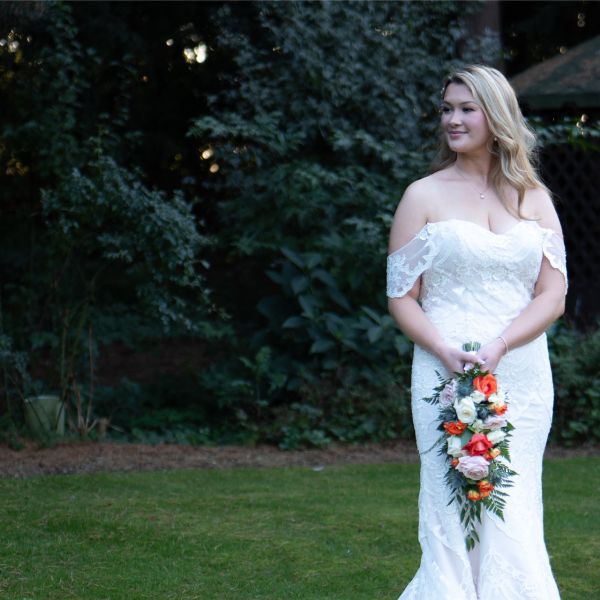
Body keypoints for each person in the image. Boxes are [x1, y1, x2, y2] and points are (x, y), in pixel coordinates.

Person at [386, 65, 567, 600]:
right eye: (447, 108)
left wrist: (502, 345)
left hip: (521, 371)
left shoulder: (533, 196)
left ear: (497, 114)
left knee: (514, 505)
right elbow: (402, 296)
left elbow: (552, 294)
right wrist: (444, 349)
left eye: (467, 108)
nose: (453, 119)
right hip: (445, 369)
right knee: (451, 502)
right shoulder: (422, 195)